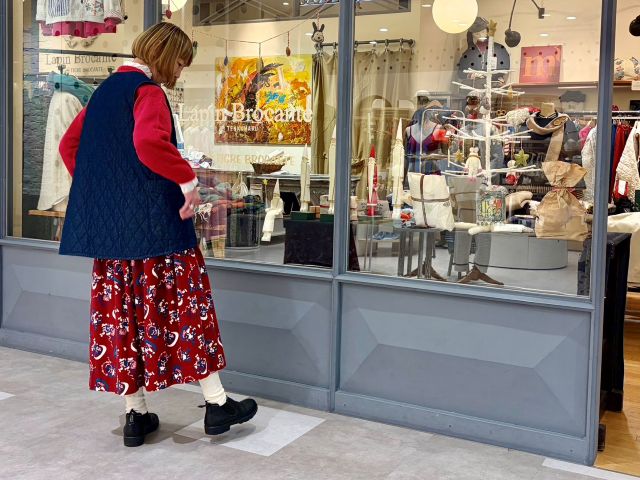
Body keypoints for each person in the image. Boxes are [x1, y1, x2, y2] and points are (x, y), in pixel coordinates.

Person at [58, 22, 257, 448]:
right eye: (181, 63)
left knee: (121, 319)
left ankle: (136, 415)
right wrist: (187, 180)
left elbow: (68, 148)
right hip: (158, 229)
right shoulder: (148, 92)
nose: (180, 73)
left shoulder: (103, 93)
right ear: (166, 56)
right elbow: (148, 142)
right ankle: (217, 405)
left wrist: (106, 194)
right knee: (188, 311)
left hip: (114, 241)